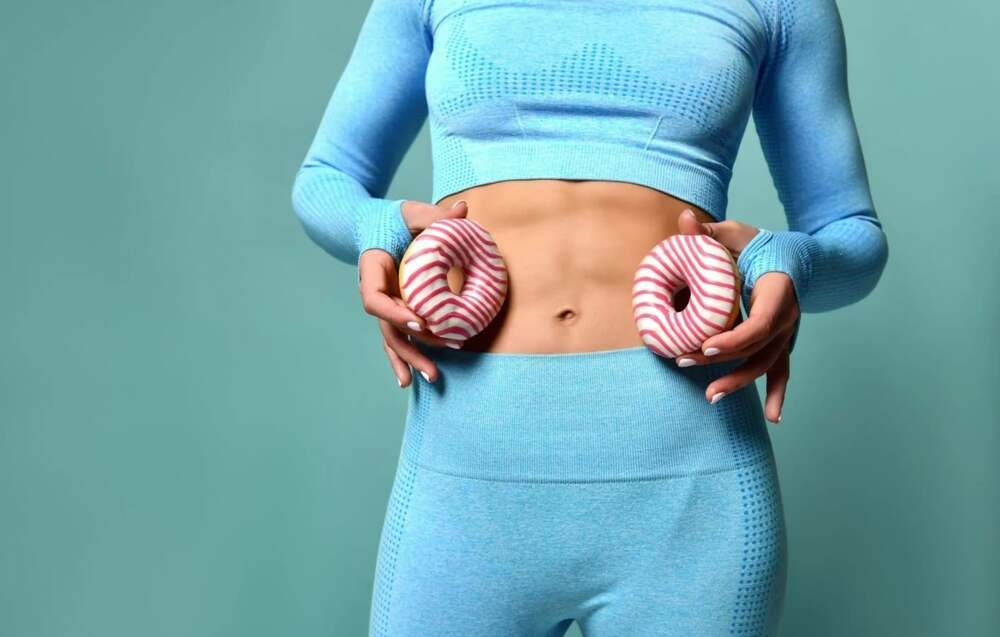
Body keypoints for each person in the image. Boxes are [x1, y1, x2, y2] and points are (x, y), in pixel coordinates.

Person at [291, 0, 889, 635]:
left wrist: (788, 262)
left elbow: (853, 234)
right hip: (462, 477)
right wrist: (377, 229)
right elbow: (326, 179)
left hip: (692, 482)